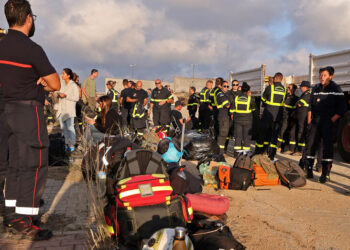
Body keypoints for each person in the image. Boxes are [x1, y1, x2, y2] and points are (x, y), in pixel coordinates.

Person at [0, 0, 61, 240]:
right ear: (28, 18)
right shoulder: (31, 49)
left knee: (12, 165)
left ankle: (10, 215)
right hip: (27, 112)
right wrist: (41, 80)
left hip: (4, 111)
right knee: (33, 166)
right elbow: (55, 83)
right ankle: (24, 221)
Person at [304, 66, 347, 182]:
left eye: (325, 75)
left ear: (331, 76)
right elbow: (310, 106)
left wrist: (331, 120)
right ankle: (308, 170)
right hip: (315, 121)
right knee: (310, 145)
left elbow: (342, 109)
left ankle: (325, 173)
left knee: (327, 148)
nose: (322, 77)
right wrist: (310, 121)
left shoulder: (336, 89)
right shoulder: (316, 88)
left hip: (328, 122)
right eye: (321, 75)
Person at [255, 72, 286, 160]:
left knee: (263, 133)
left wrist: (266, 103)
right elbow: (283, 101)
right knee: (274, 134)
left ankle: (259, 151)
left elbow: (263, 98)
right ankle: (272, 154)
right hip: (278, 115)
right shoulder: (284, 90)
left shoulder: (270, 87)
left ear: (275, 78)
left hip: (268, 114)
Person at [57, 68, 80, 152]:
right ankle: (66, 144)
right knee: (64, 129)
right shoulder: (62, 84)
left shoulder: (73, 85)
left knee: (70, 128)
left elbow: (76, 98)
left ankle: (72, 145)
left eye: (63, 73)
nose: (62, 75)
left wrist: (66, 96)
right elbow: (60, 93)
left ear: (68, 75)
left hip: (69, 110)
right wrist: (59, 95)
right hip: (61, 109)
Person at [230, 82, 255, 155]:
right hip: (247, 121)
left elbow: (232, 110)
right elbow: (253, 110)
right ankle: (245, 154)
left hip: (237, 121)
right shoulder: (250, 99)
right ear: (248, 91)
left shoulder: (236, 98)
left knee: (238, 137)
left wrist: (232, 115)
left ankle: (236, 154)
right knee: (246, 138)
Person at [289, 81, 311, 155]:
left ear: (305, 87)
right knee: (293, 131)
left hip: (303, 117)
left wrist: (297, 102)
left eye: (301, 86)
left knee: (300, 133)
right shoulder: (303, 94)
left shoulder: (307, 94)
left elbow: (299, 104)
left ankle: (300, 150)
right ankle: (291, 149)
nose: (300, 88)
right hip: (298, 117)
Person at [276, 83, 298, 153]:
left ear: (293, 89)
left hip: (289, 117)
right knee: (282, 132)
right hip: (283, 116)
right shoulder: (286, 96)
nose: (288, 89)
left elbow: (294, 109)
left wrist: (285, 106)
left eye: (289, 88)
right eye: (288, 87)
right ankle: (280, 147)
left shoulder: (295, 98)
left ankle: (279, 147)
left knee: (283, 132)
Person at [216, 81, 231, 153]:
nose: (226, 88)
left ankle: (220, 151)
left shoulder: (225, 95)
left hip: (225, 116)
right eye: (225, 86)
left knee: (224, 134)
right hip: (223, 117)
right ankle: (219, 152)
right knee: (223, 134)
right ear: (221, 87)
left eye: (228, 86)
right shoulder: (221, 95)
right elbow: (227, 105)